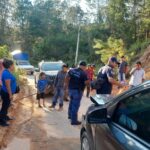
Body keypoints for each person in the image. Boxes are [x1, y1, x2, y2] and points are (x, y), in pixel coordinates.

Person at [65, 61, 89, 125]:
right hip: (77, 91)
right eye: (85, 67)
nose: (85, 68)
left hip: (71, 89)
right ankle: (74, 121)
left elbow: (67, 77)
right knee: (75, 105)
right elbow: (86, 82)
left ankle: (70, 115)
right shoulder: (83, 73)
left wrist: (67, 87)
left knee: (71, 103)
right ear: (83, 66)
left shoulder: (71, 70)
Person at [0, 59, 17, 127]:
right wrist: (10, 95)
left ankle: (5, 116)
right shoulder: (6, 73)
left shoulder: (8, 72)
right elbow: (8, 86)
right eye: (13, 65)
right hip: (7, 93)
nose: (14, 66)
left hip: (7, 93)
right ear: (10, 66)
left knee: (6, 106)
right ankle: (1, 120)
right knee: (5, 106)